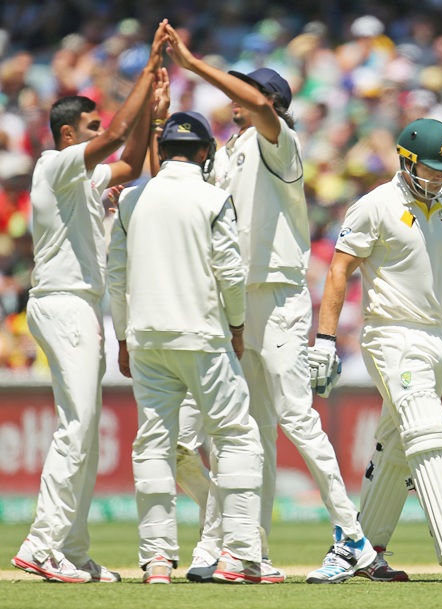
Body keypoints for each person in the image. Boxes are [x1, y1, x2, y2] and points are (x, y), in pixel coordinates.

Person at [164, 25, 376, 585]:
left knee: (295, 418)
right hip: (236, 303)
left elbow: (257, 104)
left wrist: (190, 62)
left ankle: (351, 535)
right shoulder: (226, 155)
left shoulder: (278, 142)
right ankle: (240, 548)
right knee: (241, 432)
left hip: (279, 297)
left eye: (246, 96)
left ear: (271, 105)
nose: (235, 102)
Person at [309, 118, 442, 581]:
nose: (440, 177)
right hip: (391, 334)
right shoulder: (374, 206)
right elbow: (339, 271)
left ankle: (356, 550)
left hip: (436, 337)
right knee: (427, 428)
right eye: (431, 168)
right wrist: (324, 340)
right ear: (406, 164)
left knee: (398, 446)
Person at [10, 20, 168, 584]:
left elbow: (131, 160)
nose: (101, 133)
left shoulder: (86, 176)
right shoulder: (54, 166)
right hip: (63, 300)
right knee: (77, 428)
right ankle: (42, 544)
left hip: (80, 304)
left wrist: (155, 105)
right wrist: (147, 71)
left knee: (82, 424)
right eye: (91, 126)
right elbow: (117, 137)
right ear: (69, 134)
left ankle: (72, 549)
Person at [107, 110, 266, 585]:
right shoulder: (214, 197)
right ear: (203, 153)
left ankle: (156, 560)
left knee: (153, 444)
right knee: (237, 436)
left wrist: (122, 337)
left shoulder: (132, 200)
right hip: (202, 336)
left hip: (147, 338)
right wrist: (237, 325)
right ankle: (237, 554)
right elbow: (231, 273)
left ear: (163, 151)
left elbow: (115, 275)